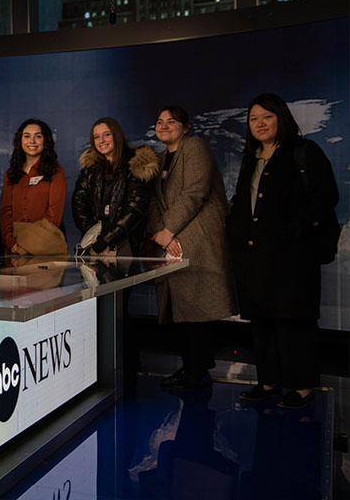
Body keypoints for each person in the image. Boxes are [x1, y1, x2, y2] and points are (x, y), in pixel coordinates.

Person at [227, 93, 338, 409]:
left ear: (281, 118)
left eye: (267, 117)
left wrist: (294, 232)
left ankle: (301, 388)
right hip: (255, 256)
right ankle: (269, 383)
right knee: (262, 322)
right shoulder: (252, 156)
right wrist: (235, 234)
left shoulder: (305, 152)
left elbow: (326, 197)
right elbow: (242, 201)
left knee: (294, 323)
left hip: (293, 257)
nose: (259, 124)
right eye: (253, 119)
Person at [149, 106, 237, 390]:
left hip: (196, 237)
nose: (164, 126)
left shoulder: (195, 147)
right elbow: (155, 201)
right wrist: (163, 233)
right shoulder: (160, 159)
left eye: (171, 121)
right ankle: (193, 367)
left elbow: (195, 191)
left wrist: (168, 230)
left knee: (197, 310)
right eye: (160, 122)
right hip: (173, 238)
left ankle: (196, 370)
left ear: (185, 127)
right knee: (183, 310)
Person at [71, 117, 157, 257]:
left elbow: (135, 208)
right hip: (94, 244)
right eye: (96, 137)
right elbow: (79, 202)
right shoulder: (90, 169)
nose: (101, 140)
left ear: (116, 135)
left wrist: (106, 240)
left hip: (124, 244)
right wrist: (94, 237)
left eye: (107, 134)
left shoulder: (136, 165)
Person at [0, 118, 67, 255]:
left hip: (44, 239)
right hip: (14, 244)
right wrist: (11, 242)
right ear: (20, 140)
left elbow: (54, 215)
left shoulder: (56, 171)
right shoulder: (11, 173)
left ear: (46, 141)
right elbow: (6, 211)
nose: (32, 141)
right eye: (27, 136)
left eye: (38, 136)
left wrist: (28, 243)